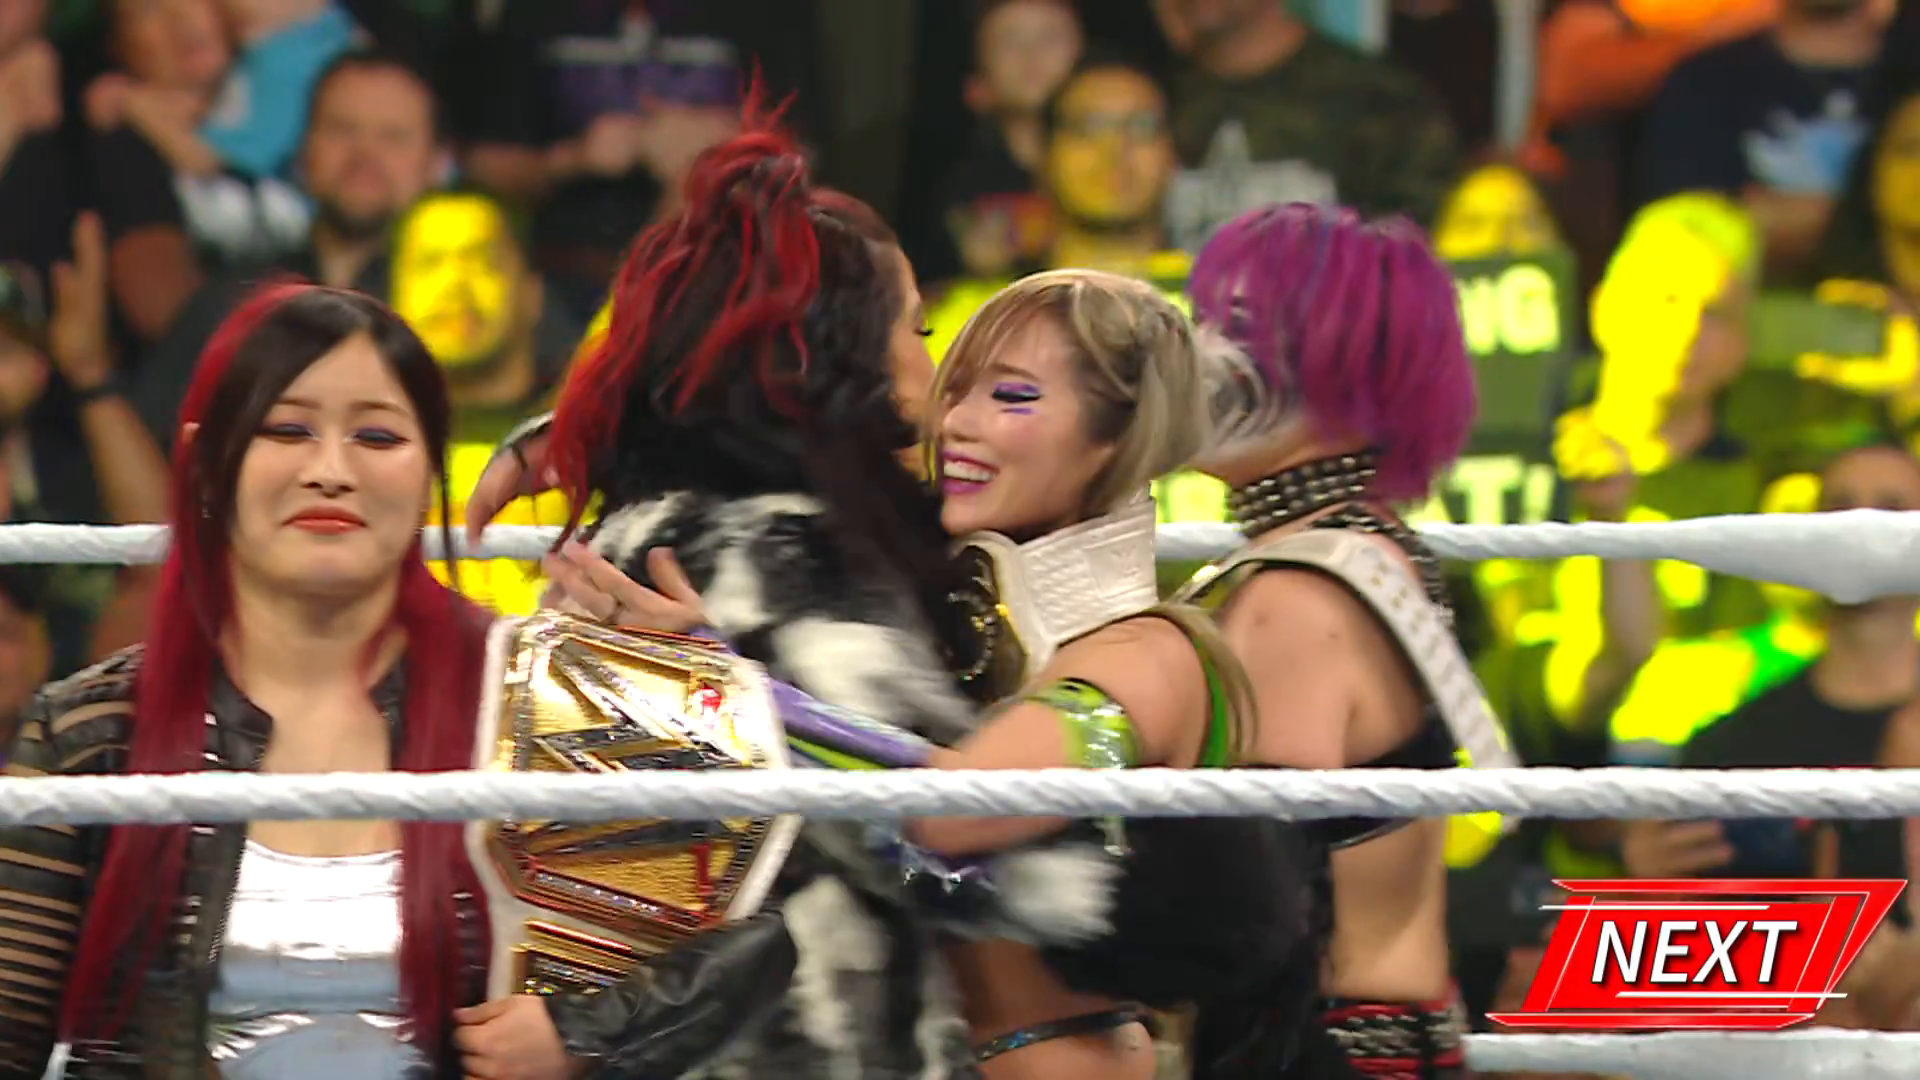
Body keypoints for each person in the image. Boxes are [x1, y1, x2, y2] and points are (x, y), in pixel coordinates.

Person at [454, 127, 1319, 1077]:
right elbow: (748, 389)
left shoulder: (1142, 657)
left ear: (1113, 440)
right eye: (956, 381)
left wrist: (729, 687)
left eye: (1012, 396)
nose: (957, 418)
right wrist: (583, 431)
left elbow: (948, 822)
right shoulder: (920, 567)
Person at [0, 282, 496, 1073]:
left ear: (431, 465)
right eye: (286, 429)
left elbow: (700, 941)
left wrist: (675, 662)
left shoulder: (525, 706)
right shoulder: (89, 730)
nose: (330, 470)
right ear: (205, 462)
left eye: (376, 436)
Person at [1173, 202, 1500, 1079]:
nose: (1197, 355)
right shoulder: (1368, 548)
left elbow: (1247, 903)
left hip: (1316, 1050)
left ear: (1343, 366)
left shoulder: (1299, 591)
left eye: (1237, 327)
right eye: (1202, 319)